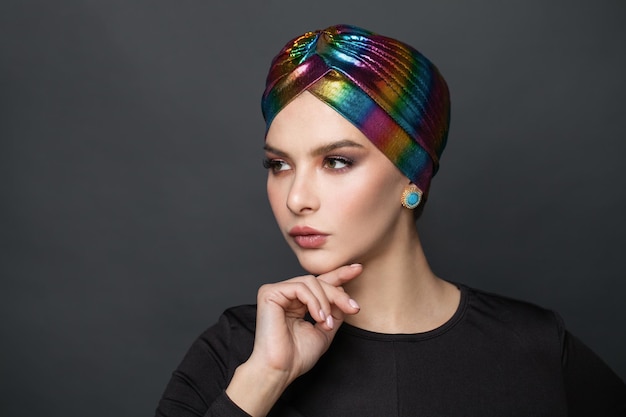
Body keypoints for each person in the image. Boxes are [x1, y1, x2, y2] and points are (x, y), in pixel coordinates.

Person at [155, 24, 626, 417]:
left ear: (412, 175)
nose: (296, 197)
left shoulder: (535, 349)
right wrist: (264, 379)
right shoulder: (239, 353)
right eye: (278, 165)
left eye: (336, 161)